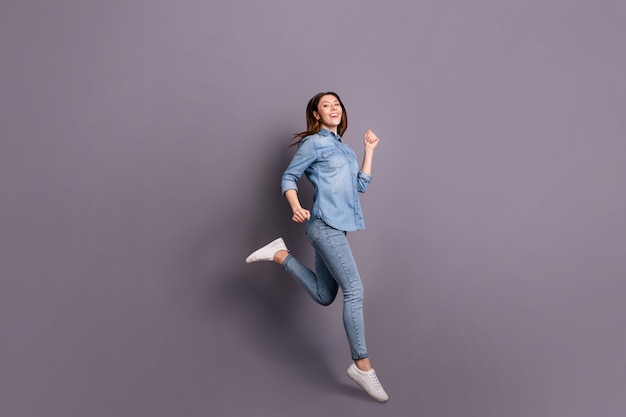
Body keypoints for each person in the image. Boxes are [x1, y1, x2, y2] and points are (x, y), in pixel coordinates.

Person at [245, 91, 389, 402]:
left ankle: (280, 253)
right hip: (324, 227)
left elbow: (360, 185)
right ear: (316, 115)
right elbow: (288, 177)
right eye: (326, 105)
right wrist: (296, 206)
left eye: (337, 104)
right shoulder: (314, 143)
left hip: (337, 229)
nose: (333, 108)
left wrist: (368, 151)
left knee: (325, 295)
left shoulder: (346, 150)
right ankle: (362, 365)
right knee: (355, 290)